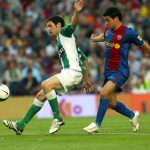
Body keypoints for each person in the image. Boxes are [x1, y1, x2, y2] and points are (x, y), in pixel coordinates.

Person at [3, 0, 93, 135]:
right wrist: (86, 80)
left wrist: (76, 11)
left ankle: (57, 118)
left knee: (46, 84)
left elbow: (73, 25)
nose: (48, 29)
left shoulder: (64, 32)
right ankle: (20, 125)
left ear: (58, 25)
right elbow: (85, 60)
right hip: (73, 74)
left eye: (50, 26)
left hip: (72, 73)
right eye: (47, 27)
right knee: (40, 95)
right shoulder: (66, 42)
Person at [83, 7, 150, 133]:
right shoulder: (108, 30)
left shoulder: (128, 32)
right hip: (108, 71)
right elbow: (104, 36)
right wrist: (94, 38)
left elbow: (144, 44)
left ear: (116, 19)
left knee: (103, 93)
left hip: (121, 71)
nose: (106, 23)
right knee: (111, 103)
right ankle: (132, 115)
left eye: (108, 20)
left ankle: (96, 124)